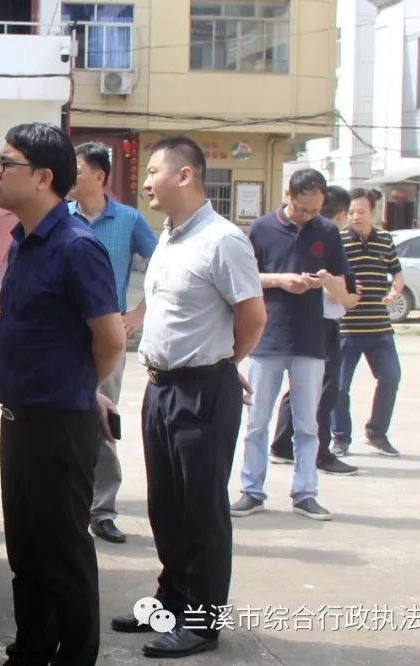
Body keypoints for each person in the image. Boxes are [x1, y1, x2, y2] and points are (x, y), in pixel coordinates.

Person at [111, 136, 266, 660]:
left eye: (154, 170)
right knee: (167, 508)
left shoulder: (222, 240)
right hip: (160, 389)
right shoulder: (170, 239)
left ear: (185, 176)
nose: (145, 180)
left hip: (202, 391)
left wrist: (224, 364)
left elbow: (253, 316)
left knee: (201, 512)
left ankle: (202, 622)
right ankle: (170, 601)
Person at [0, 123, 125, 666]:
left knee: (63, 550)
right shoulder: (23, 241)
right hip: (18, 418)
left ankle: (75, 655)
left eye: (6, 164)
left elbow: (110, 339)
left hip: (58, 424)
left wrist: (81, 386)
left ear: (43, 177)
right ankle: (33, 645)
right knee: (25, 549)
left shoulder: (77, 247)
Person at [231, 169, 356, 523]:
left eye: (314, 211)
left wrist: (326, 281)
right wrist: (280, 280)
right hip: (266, 338)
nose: (307, 217)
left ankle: (305, 492)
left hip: (311, 339)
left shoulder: (328, 232)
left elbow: (344, 290)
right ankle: (251, 490)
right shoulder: (261, 229)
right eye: (302, 209)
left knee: (307, 424)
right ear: (288, 194)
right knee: (256, 422)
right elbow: (244, 277)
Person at [69, 141, 157, 544]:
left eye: (77, 169)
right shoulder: (60, 217)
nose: (70, 176)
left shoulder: (129, 220)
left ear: (100, 177)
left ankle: (102, 510)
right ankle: (68, 503)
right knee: (64, 418)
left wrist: (138, 313)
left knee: (102, 419)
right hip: (64, 336)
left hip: (108, 336)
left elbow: (164, 268)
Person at [270, 186, 360, 475]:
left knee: (305, 389)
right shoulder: (317, 237)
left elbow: (346, 292)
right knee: (322, 390)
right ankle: (316, 453)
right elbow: (341, 291)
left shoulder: (322, 240)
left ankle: (285, 446)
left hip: (317, 323)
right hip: (315, 324)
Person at [331, 187, 405, 458]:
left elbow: (397, 274)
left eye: (361, 211)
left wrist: (395, 290)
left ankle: (377, 433)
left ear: (373, 213)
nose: (355, 216)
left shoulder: (385, 240)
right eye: (351, 212)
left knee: (391, 377)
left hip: (380, 328)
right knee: (339, 386)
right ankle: (340, 437)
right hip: (347, 328)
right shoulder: (338, 240)